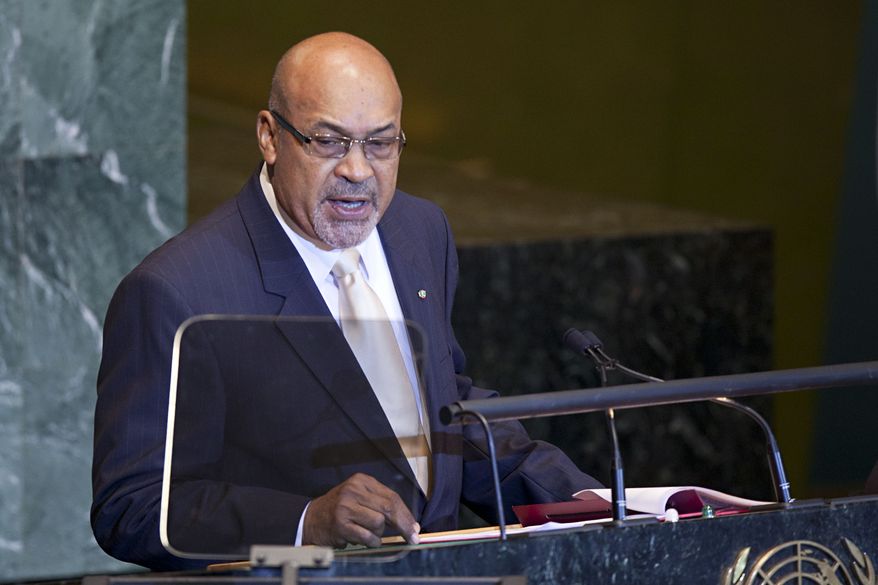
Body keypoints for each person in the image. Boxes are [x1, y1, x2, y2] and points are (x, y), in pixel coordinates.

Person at [91, 32, 601, 570]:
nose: (358, 171)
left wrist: (592, 503)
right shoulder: (176, 291)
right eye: (329, 141)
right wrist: (304, 522)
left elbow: (443, 412)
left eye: (381, 143)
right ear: (269, 136)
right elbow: (133, 507)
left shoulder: (419, 229)